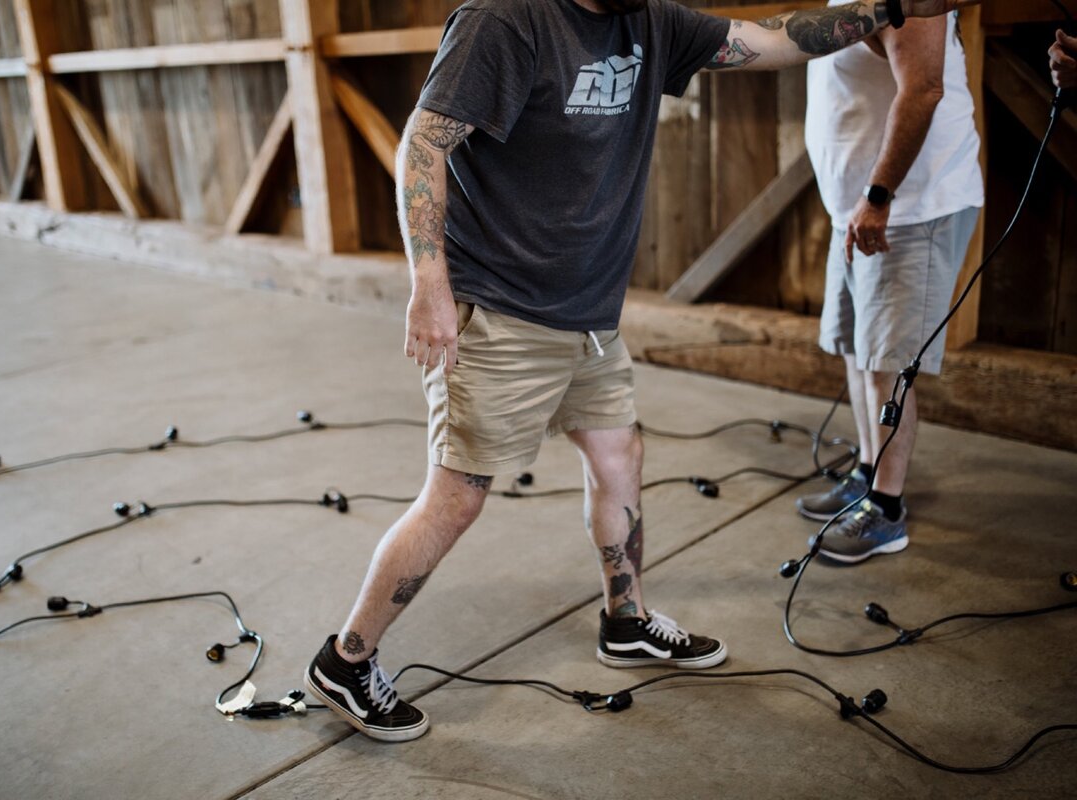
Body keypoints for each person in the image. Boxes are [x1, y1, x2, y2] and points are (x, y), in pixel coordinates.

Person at [306, 0, 976, 742]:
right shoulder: (505, 20)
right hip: (498, 305)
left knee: (619, 454)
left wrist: (891, 9)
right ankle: (346, 660)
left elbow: (780, 40)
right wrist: (429, 282)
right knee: (458, 495)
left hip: (587, 310)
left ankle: (624, 619)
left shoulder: (651, 21)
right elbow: (423, 145)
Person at [795, 3, 983, 564]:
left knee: (887, 366)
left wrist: (878, 197)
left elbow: (924, 89)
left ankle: (887, 509)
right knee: (859, 353)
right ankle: (867, 472)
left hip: (906, 206)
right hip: (858, 208)